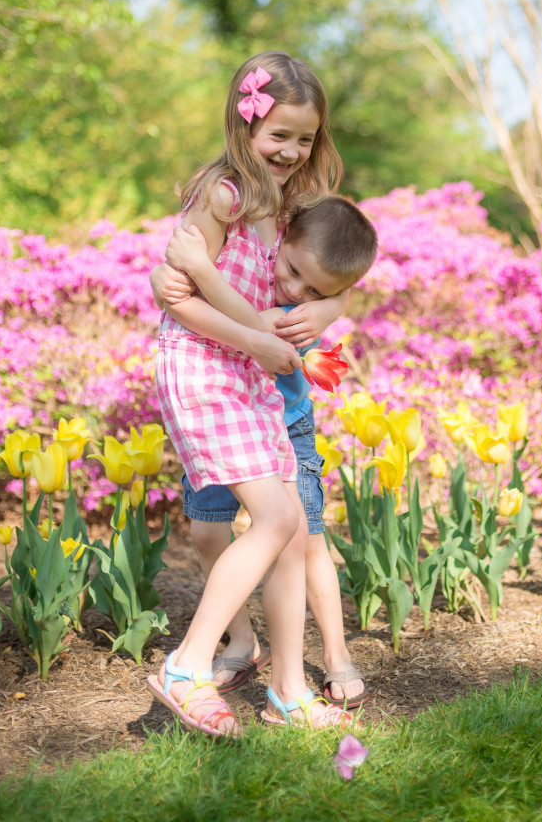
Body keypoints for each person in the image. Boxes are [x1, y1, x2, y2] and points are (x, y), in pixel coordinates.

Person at [147, 51, 352, 737]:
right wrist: (263, 344)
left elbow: (340, 269)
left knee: (292, 530)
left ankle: (289, 694)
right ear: (246, 122)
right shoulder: (223, 195)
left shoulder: (289, 204)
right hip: (206, 370)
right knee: (271, 521)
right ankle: (188, 664)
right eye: (279, 135)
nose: (291, 150)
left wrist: (325, 311)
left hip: (250, 372)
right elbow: (179, 301)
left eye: (304, 139)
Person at [157, 196, 377, 710]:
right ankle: (243, 641)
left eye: (317, 291)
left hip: (284, 418)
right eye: (294, 272)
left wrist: (197, 271)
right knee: (209, 530)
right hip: (227, 407)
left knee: (305, 538)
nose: (297, 291)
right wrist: (170, 277)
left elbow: (253, 322)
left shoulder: (297, 304)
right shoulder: (263, 235)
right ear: (285, 240)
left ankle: (336, 654)